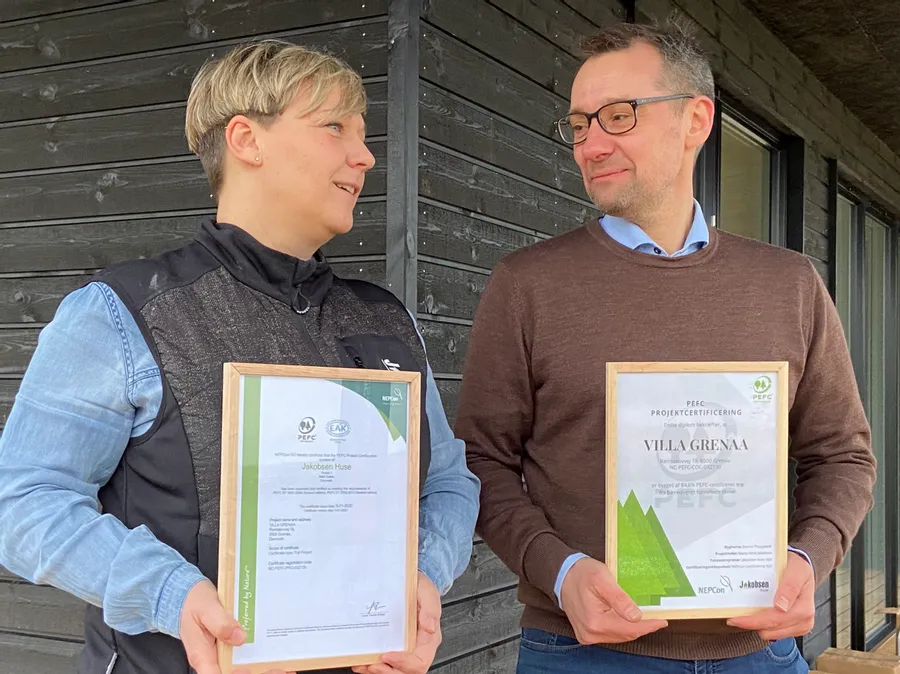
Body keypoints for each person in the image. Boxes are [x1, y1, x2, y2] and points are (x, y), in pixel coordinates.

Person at [0, 40, 479, 674]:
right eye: (335, 127)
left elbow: (448, 482)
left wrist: (420, 575)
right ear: (247, 140)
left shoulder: (387, 320)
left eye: (363, 135)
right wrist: (170, 593)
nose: (365, 156)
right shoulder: (122, 312)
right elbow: (23, 501)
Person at [455, 19, 875, 674]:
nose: (591, 144)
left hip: (760, 654)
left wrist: (807, 558)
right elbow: (481, 459)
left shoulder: (788, 284)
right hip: (580, 652)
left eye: (618, 116)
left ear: (695, 120)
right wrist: (560, 571)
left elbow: (843, 456)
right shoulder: (527, 284)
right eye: (579, 124)